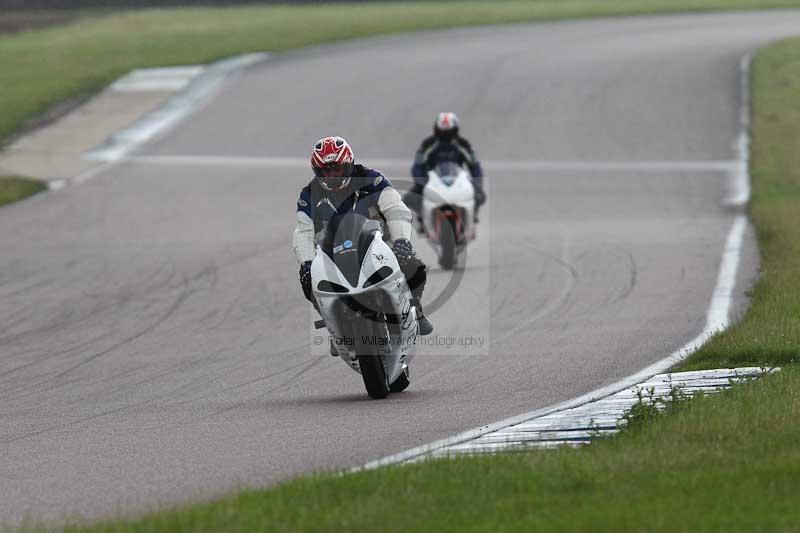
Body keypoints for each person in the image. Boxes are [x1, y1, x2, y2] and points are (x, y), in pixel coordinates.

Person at [293, 136, 434, 344]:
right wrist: (306, 263)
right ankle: (333, 324)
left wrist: (402, 241)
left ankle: (415, 307)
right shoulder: (309, 194)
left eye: (338, 170)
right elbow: (303, 231)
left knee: (413, 263)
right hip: (333, 251)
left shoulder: (372, 179)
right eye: (326, 172)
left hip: (376, 243)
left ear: (349, 164)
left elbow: (396, 210)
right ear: (317, 171)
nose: (332, 176)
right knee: (308, 279)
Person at [404, 112, 486, 222]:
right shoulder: (427, 144)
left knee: (480, 196)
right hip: (432, 179)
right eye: (442, 133)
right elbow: (418, 166)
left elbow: (474, 166)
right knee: (408, 199)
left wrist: (478, 185)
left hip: (458, 178)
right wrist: (421, 182)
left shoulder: (464, 144)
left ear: (455, 131)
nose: (446, 137)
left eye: (449, 133)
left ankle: (472, 217)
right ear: (436, 131)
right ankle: (422, 218)